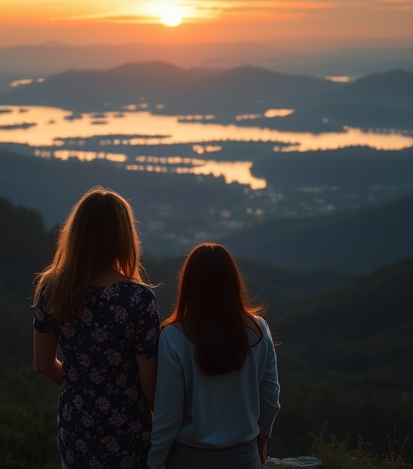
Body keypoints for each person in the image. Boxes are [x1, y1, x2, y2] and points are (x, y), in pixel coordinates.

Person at [33, 186, 160, 469]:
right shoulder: (138, 299)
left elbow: (43, 364)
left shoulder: (53, 289)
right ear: (124, 237)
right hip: (128, 431)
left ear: (76, 233)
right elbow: (148, 380)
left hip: (75, 426)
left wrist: (82, 387)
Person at [148, 243, 280, 469]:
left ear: (188, 285)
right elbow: (270, 399)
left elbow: (168, 414)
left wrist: (156, 461)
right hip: (244, 456)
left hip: (189, 458)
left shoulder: (174, 337)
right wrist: (261, 440)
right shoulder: (258, 330)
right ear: (233, 283)